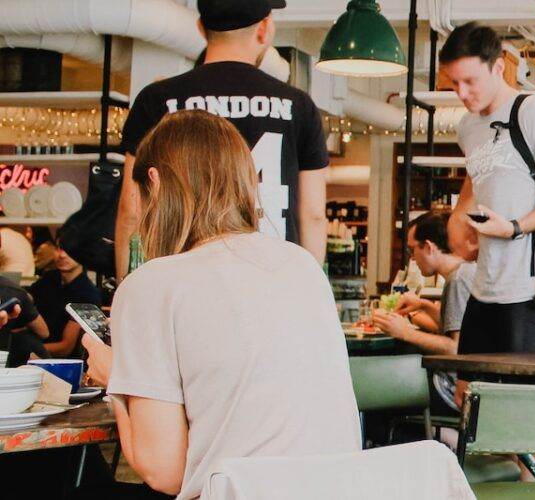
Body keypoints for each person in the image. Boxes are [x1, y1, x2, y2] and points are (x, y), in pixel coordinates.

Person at [78, 110, 359, 500]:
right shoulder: (302, 266)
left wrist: (117, 380)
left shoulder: (151, 285)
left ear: (154, 183)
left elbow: (165, 472)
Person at [117, 0, 329, 279]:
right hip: (272, 279)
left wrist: (127, 289)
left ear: (201, 28)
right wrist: (308, 290)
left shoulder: (156, 99)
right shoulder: (298, 106)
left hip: (184, 279)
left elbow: (132, 207)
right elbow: (313, 213)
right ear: (264, 29)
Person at [440, 21, 535, 372]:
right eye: (454, 83)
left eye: (470, 81)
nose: (462, 93)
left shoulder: (533, 113)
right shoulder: (468, 126)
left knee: (517, 403)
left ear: (497, 68)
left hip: (531, 289)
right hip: (484, 286)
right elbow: (478, 173)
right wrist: (458, 216)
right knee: (471, 394)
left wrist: (515, 227)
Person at [373, 211, 474, 414]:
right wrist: (424, 305)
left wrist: (405, 333)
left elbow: (456, 349)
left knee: (379, 385)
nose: (412, 259)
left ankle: (445, 437)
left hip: (452, 388)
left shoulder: (457, 281)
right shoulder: (466, 271)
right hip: (466, 384)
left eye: (413, 250)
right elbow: (462, 329)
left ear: (428, 247)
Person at [29, 238, 103, 358]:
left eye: (69, 250)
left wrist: (26, 349)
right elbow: (26, 302)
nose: (62, 255)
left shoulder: (88, 294)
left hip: (64, 364)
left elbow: (65, 347)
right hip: (36, 352)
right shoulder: (48, 279)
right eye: (59, 248)